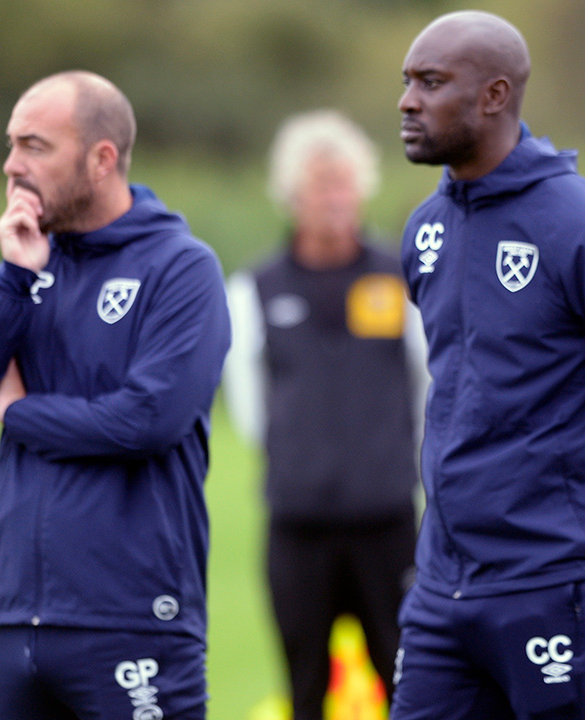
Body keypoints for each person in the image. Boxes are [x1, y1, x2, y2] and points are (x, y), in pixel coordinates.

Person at [393, 11, 585, 720]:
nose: (407, 101)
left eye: (431, 82)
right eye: (407, 82)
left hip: (564, 583)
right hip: (444, 591)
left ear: (495, 95)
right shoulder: (426, 231)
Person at [0, 71, 230, 720]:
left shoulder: (180, 268)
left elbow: (146, 421)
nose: (11, 165)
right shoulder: (29, 263)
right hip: (12, 615)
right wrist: (12, 278)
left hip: (133, 617)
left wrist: (17, 411)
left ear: (101, 159)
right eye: (11, 145)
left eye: (35, 146)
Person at [223, 109, 425, 720]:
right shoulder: (255, 287)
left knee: (407, 680)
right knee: (304, 687)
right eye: (320, 185)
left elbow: (427, 384)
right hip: (297, 526)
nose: (335, 198)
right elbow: (249, 406)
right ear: (292, 195)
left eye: (344, 183)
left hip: (388, 522)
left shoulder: (400, 277)